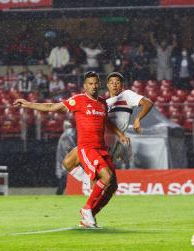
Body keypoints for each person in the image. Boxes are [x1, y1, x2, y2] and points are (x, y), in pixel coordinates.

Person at [13, 71, 130, 228]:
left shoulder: (103, 103)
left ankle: (89, 216)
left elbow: (107, 122)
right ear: (85, 86)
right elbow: (52, 107)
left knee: (113, 186)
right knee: (106, 177)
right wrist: (28, 104)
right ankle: (87, 209)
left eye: (96, 83)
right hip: (87, 148)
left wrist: (120, 134)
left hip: (101, 148)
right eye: (90, 83)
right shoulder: (78, 100)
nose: (94, 86)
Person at [62, 71, 153, 204]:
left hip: (107, 146)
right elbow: (105, 122)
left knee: (102, 181)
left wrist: (138, 119)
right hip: (95, 141)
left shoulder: (126, 95)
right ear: (107, 85)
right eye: (111, 82)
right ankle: (89, 195)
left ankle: (89, 212)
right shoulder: (104, 103)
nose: (114, 85)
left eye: (117, 82)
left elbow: (148, 103)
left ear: (122, 85)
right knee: (68, 163)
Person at [55, 120, 76, 195]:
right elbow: (69, 148)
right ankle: (59, 193)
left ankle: (59, 193)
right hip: (67, 161)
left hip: (65, 160)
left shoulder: (65, 135)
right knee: (64, 178)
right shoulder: (66, 136)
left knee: (65, 178)